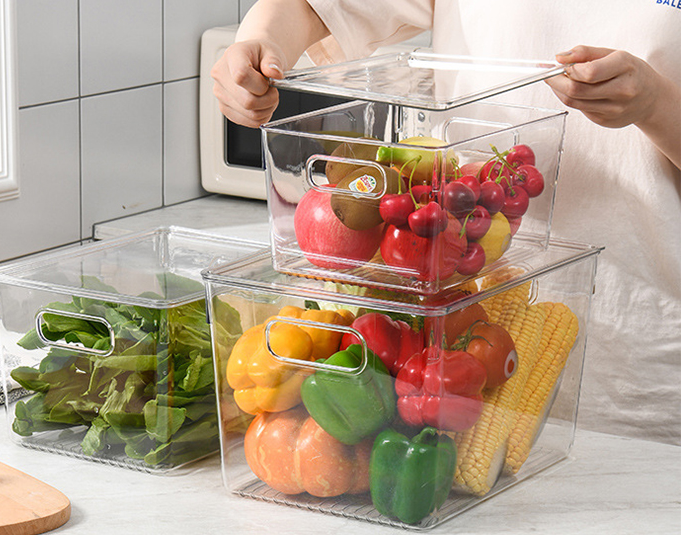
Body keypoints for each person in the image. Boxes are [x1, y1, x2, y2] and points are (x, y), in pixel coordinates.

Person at [212, 0, 681, 446]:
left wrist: (657, 105)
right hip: (458, 348)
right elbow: (316, 7)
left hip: (641, 370)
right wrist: (256, 46)